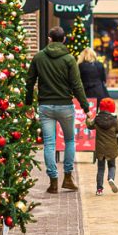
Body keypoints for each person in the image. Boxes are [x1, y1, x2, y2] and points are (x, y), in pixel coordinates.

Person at [26, 26, 91, 194]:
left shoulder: (39, 57)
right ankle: (68, 178)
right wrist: (86, 107)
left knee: (49, 143)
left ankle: (53, 181)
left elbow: (29, 81)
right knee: (69, 141)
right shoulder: (69, 59)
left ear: (49, 38)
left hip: (45, 106)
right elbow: (77, 85)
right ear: (64, 39)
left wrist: (28, 104)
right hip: (65, 106)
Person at [86, 96, 118, 195]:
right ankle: (111, 178)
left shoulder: (97, 119)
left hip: (100, 149)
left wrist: (87, 119)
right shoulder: (115, 121)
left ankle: (99, 190)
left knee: (100, 169)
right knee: (112, 166)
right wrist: (117, 142)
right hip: (111, 148)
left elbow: (89, 126)